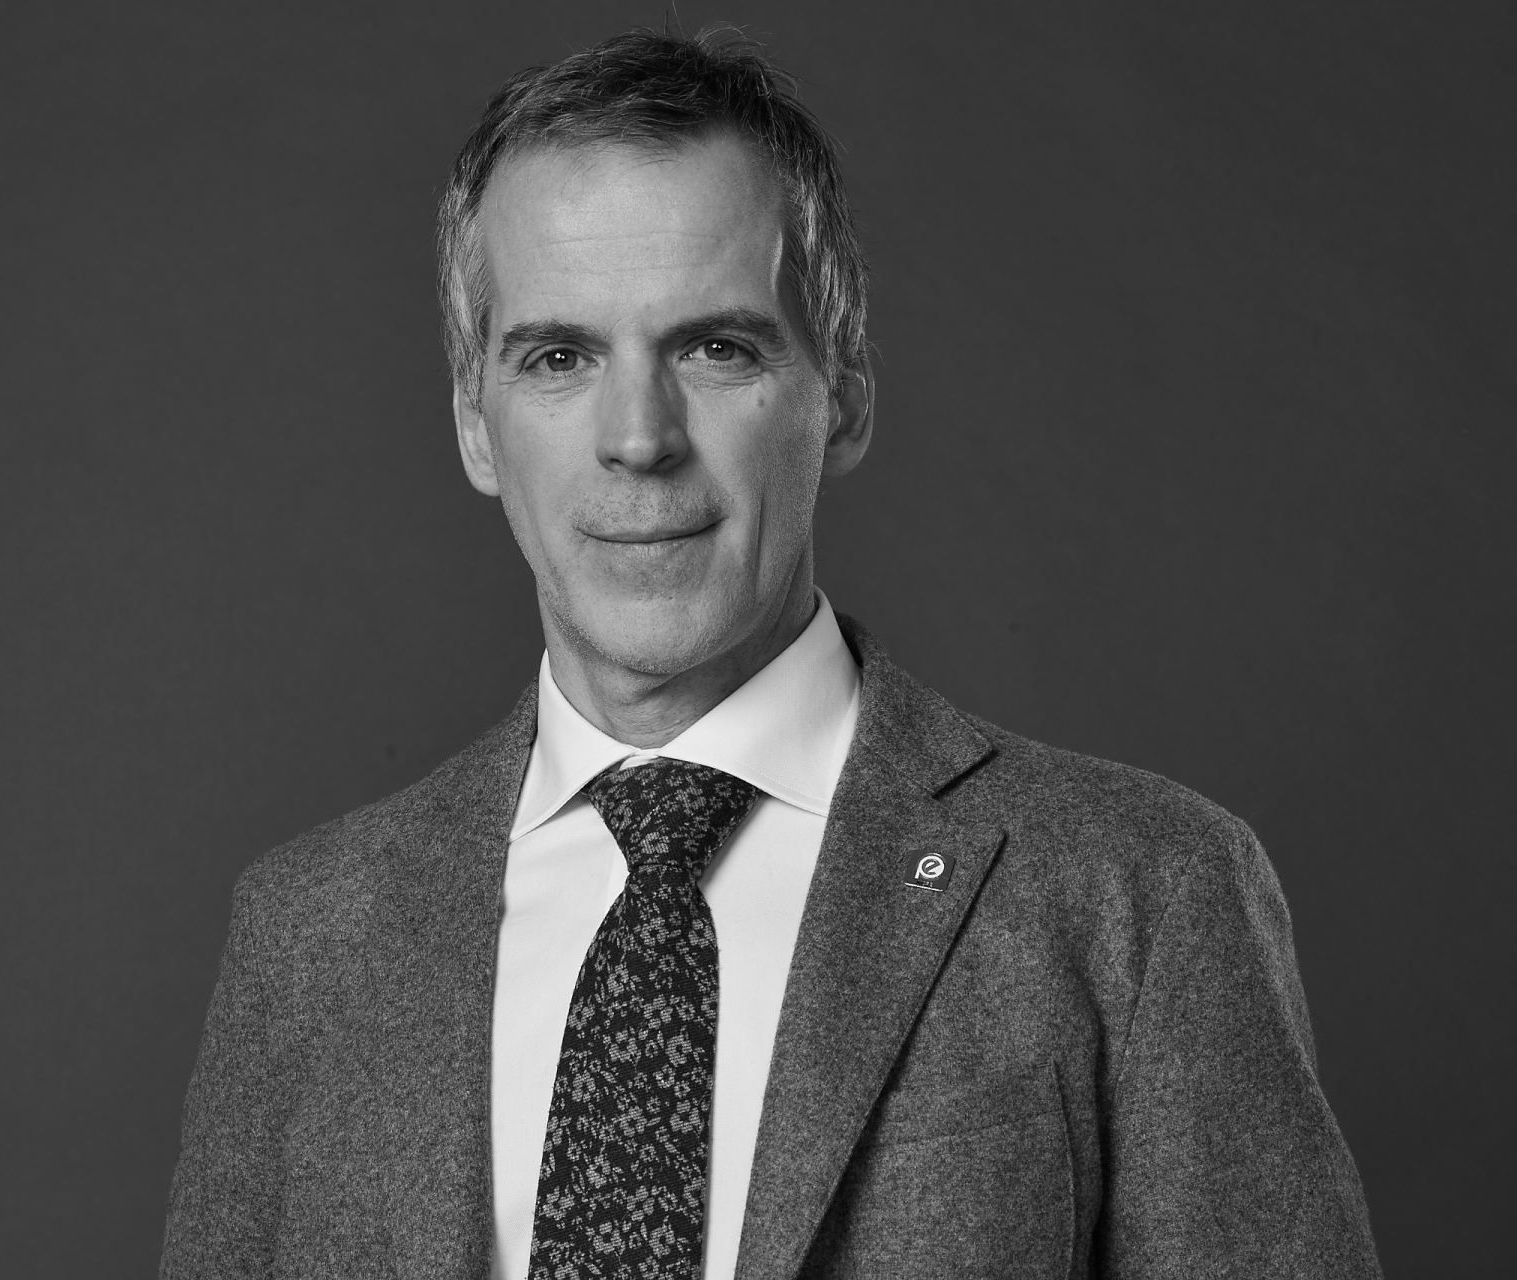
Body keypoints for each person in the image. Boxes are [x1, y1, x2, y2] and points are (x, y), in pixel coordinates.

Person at [160, 28, 1381, 1280]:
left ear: (841, 394)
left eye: (716, 348)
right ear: (478, 422)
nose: (640, 438)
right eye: (560, 357)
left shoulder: (1142, 894)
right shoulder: (309, 935)